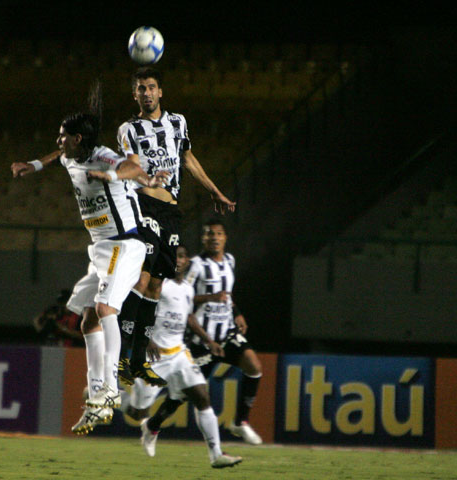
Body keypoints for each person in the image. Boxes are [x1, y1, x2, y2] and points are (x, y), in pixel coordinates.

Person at [11, 83, 168, 435]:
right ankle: (98, 394)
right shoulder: (70, 156)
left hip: (125, 244)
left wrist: (111, 175)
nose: (58, 141)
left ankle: (111, 387)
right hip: (99, 250)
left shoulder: (105, 157)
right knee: (86, 321)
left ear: (79, 139)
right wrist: (33, 165)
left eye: (63, 136)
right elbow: (57, 158)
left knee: (105, 309)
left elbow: (132, 166)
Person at [115, 66, 237, 387]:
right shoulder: (128, 128)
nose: (146, 93)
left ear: (160, 92)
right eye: (140, 88)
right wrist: (146, 178)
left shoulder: (178, 122)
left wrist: (215, 191)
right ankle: (122, 355)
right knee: (141, 279)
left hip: (171, 211)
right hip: (144, 206)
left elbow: (189, 160)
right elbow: (130, 165)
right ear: (135, 95)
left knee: (156, 284)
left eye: (151, 87)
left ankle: (139, 360)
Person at [126, 245, 242, 469]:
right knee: (136, 412)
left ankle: (216, 454)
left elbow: (188, 318)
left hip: (179, 353)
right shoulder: (156, 284)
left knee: (202, 397)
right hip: (155, 355)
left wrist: (209, 341)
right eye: (173, 257)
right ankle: (111, 399)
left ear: (187, 261)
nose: (176, 261)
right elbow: (136, 311)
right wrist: (147, 339)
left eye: (180, 256)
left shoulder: (187, 289)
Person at [185, 218, 264, 445]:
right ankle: (150, 421)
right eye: (209, 234)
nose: (214, 238)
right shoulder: (195, 264)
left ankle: (241, 422)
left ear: (225, 237)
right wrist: (210, 297)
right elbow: (183, 295)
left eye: (218, 234)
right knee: (182, 394)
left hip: (227, 332)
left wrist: (236, 312)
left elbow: (226, 294)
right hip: (202, 339)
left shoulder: (230, 260)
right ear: (203, 238)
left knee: (254, 366)